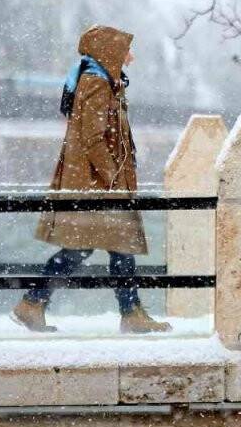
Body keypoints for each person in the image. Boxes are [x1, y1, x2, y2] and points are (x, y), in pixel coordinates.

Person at [11, 25, 172, 334]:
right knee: (93, 247)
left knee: (98, 248)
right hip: (97, 186)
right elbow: (93, 138)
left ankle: (36, 303)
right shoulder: (98, 83)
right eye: (126, 50)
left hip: (93, 184)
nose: (131, 57)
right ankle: (37, 302)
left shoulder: (101, 80)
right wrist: (113, 177)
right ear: (109, 52)